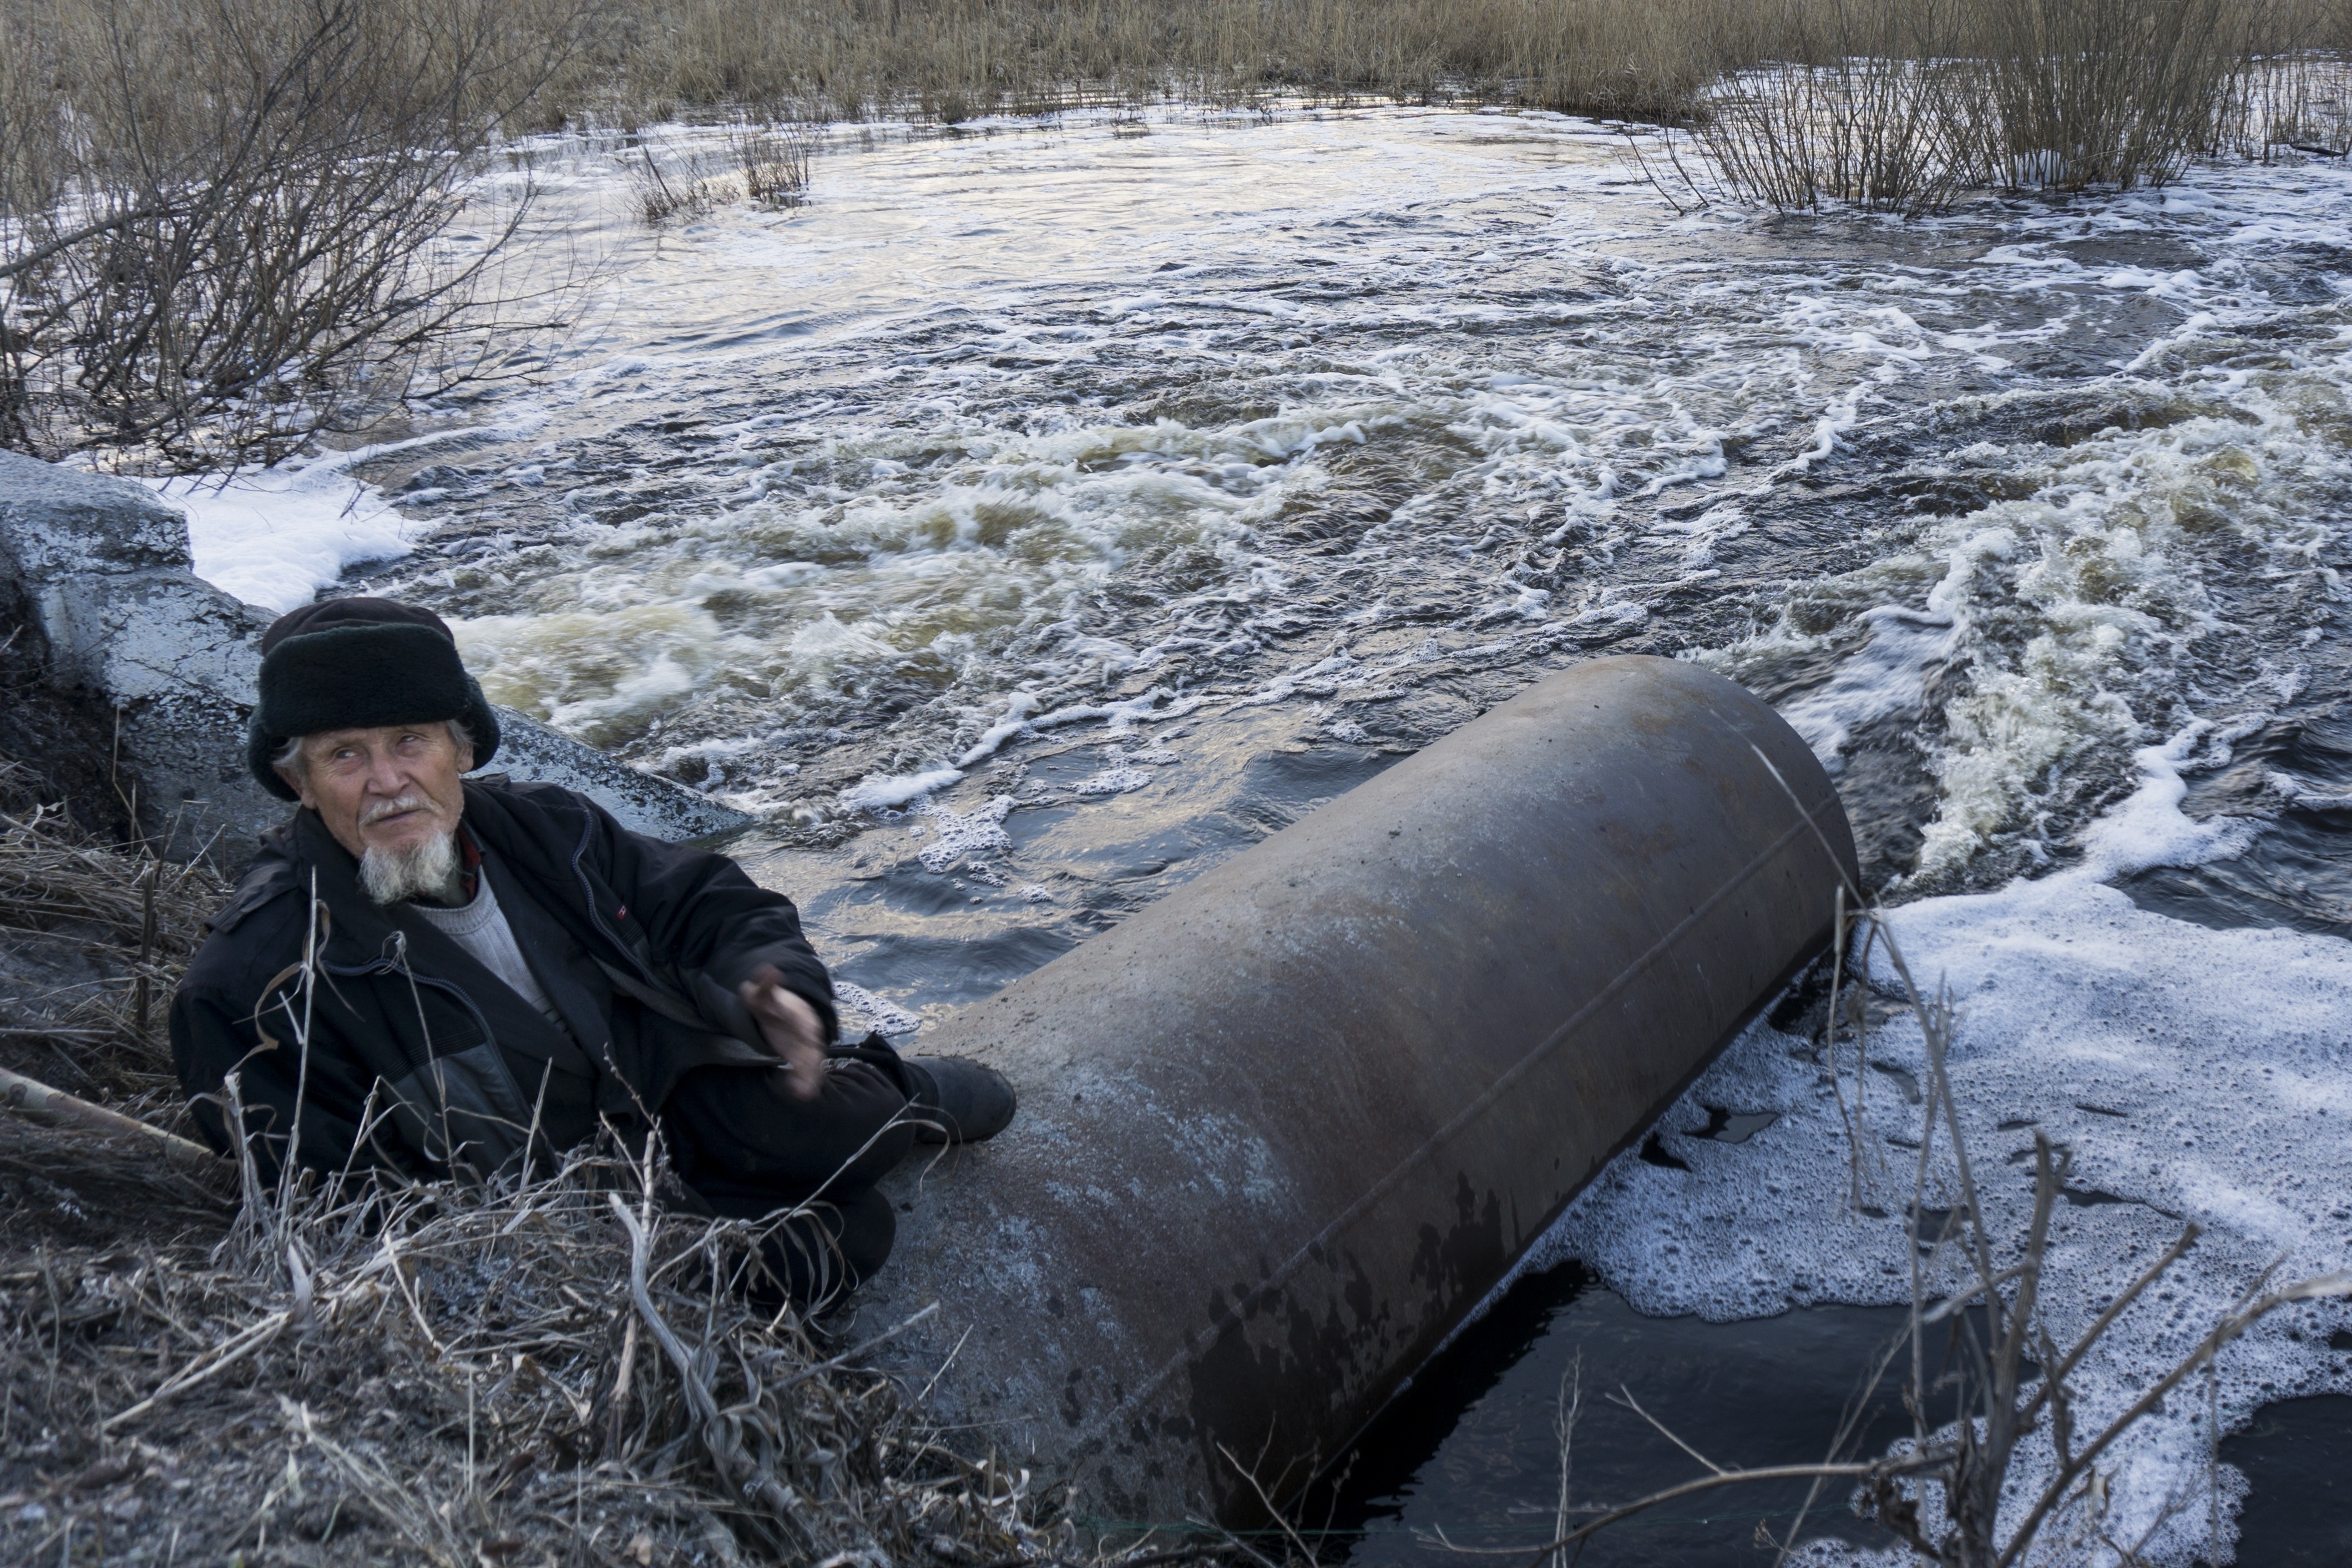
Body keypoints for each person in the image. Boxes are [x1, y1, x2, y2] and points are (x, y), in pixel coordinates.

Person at [169, 598, 1013, 1306]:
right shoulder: (255, 986)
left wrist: (775, 989)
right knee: (846, 1237)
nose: (388, 781)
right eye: (345, 755)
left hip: (657, 1099)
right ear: (297, 781)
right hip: (542, 1212)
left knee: (821, 1126)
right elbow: (331, 1216)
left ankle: (903, 1091)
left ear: (461, 749)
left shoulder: (545, 825)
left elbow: (705, 900)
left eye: (410, 741)